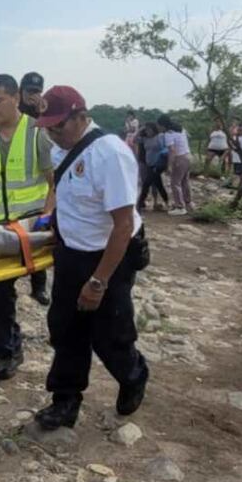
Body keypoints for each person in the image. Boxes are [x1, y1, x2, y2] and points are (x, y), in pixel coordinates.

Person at [33, 85, 149, 429]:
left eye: (59, 127)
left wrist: (98, 282)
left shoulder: (110, 154)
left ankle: (133, 374)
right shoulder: (61, 150)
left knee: (109, 332)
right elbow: (63, 192)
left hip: (110, 253)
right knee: (65, 328)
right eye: (48, 130)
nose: (54, 136)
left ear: (81, 116)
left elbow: (123, 224)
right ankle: (65, 400)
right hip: (71, 251)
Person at [0, 74, 55, 379]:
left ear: (16, 98)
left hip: (30, 223)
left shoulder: (37, 133)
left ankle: (51, 341)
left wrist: (46, 215)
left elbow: (53, 182)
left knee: (36, 282)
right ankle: (4, 349)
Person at [18, 71, 54, 306]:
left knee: (36, 243)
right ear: (20, 92)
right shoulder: (13, 111)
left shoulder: (45, 111)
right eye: (30, 91)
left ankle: (38, 287)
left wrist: (43, 111)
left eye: (37, 91)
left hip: (37, 190)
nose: (33, 96)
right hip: (8, 186)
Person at [157, 114, 193, 215]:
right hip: (188, 155)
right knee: (185, 181)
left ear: (163, 125)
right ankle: (188, 203)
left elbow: (172, 150)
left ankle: (180, 207)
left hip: (180, 158)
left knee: (175, 183)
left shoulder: (168, 134)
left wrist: (169, 165)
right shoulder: (181, 129)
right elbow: (188, 137)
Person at [136, 123, 168, 211]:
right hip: (149, 165)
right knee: (159, 184)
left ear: (154, 130)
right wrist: (140, 130)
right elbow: (134, 139)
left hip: (157, 164)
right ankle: (167, 201)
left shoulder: (160, 137)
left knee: (146, 184)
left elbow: (166, 147)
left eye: (149, 130)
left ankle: (139, 204)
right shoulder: (145, 139)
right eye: (146, 130)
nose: (147, 131)